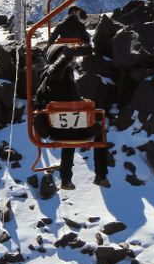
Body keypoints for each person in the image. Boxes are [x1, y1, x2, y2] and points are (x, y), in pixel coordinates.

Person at [35, 10, 109, 190]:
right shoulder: (54, 75)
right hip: (67, 128)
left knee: (69, 136)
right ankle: (100, 175)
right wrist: (67, 55)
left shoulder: (48, 82)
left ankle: (66, 179)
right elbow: (54, 73)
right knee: (97, 131)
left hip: (56, 129)